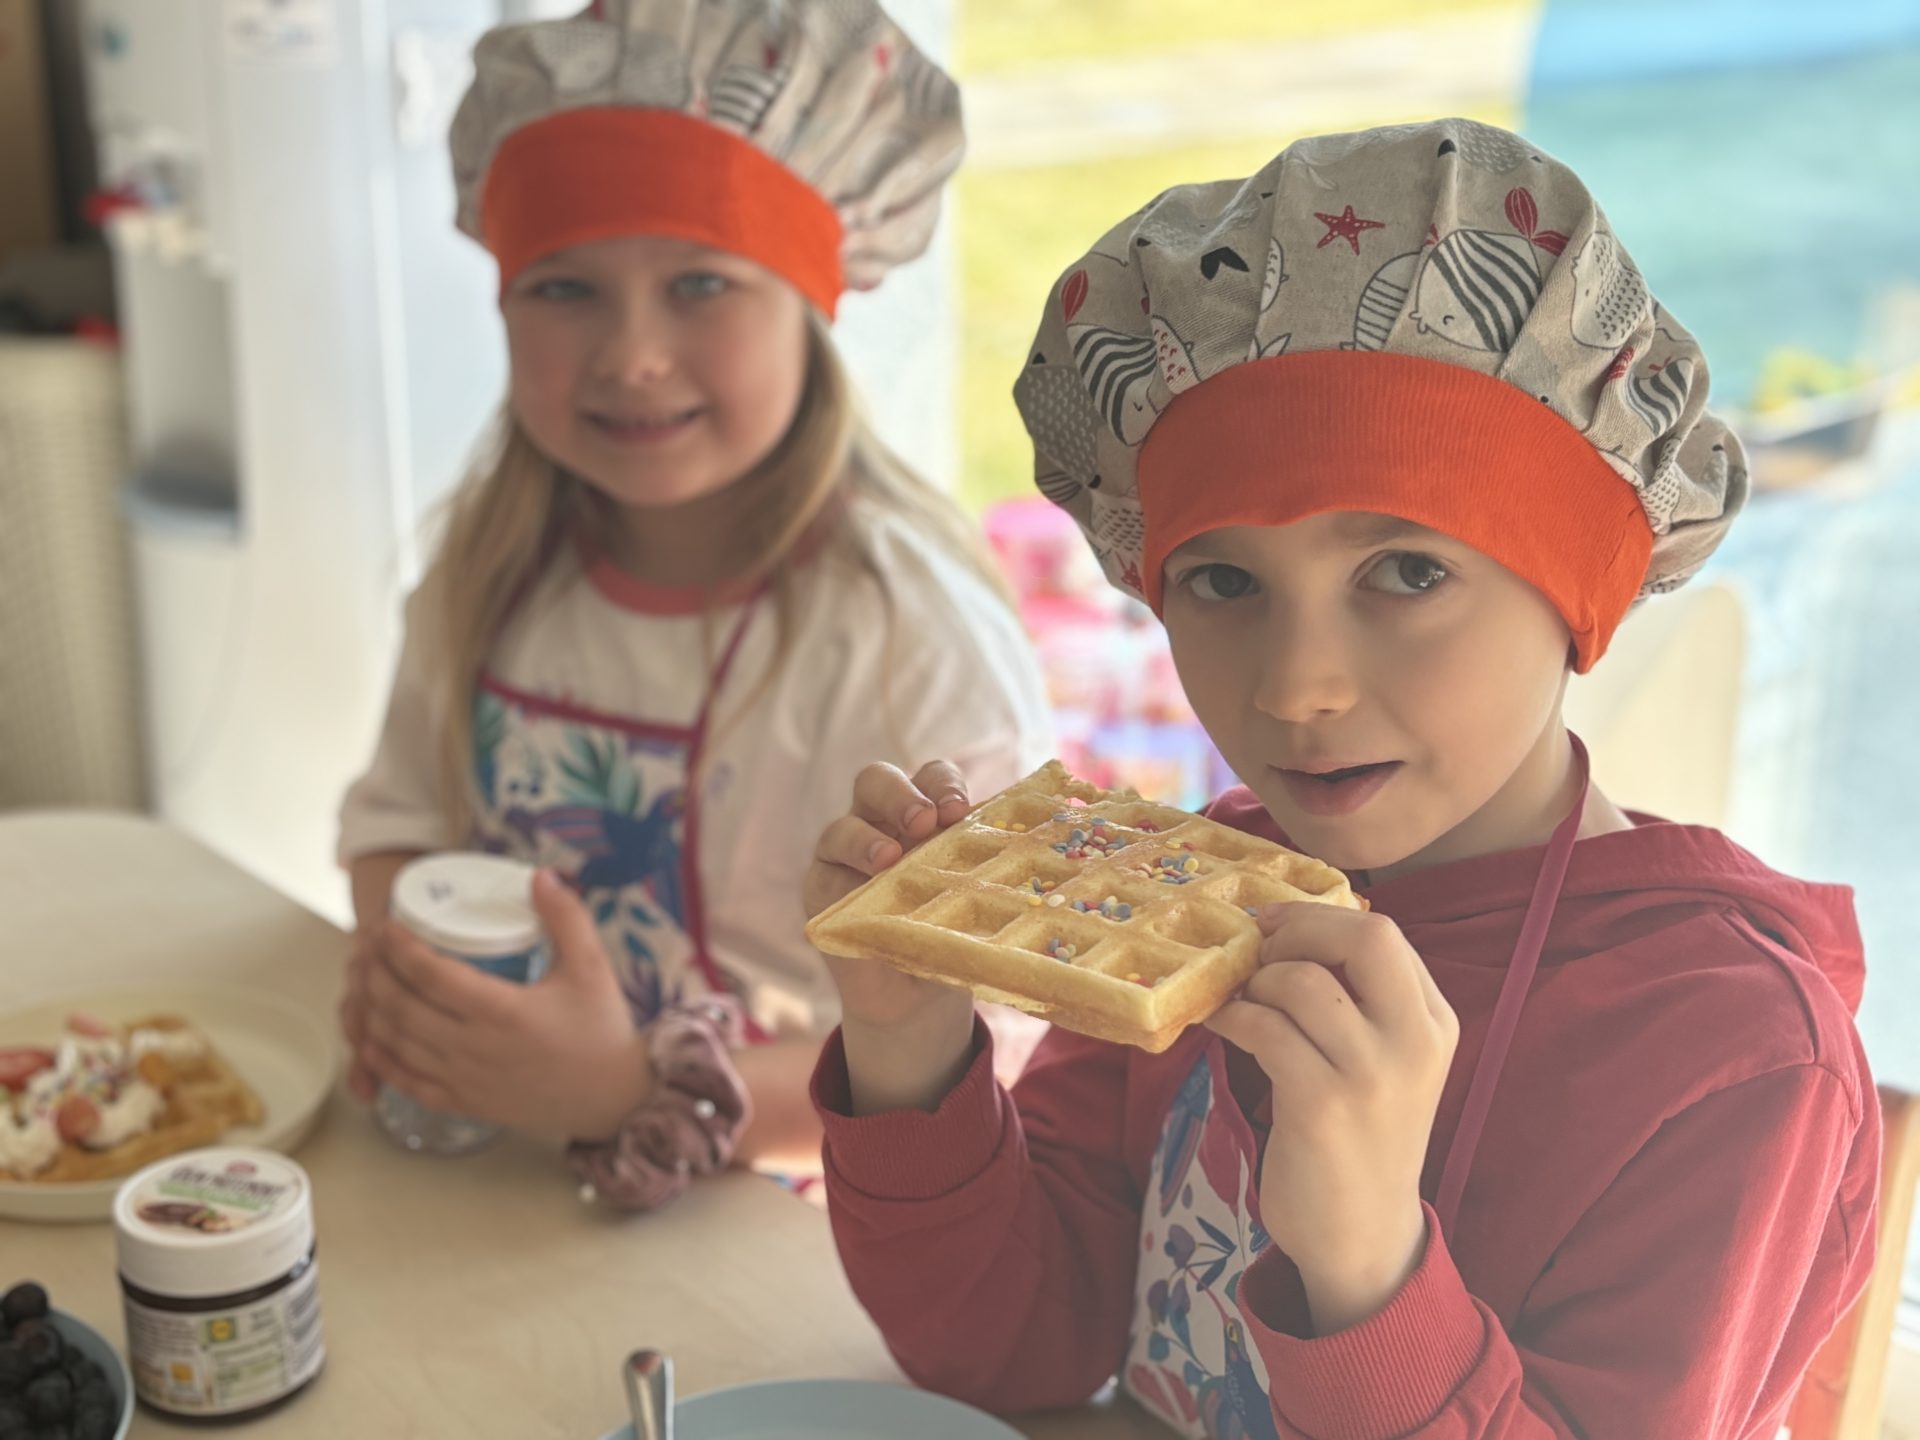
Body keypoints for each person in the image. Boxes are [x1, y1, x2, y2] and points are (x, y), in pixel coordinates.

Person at [803, 118, 1878, 1435]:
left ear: (1580, 588)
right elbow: (1018, 1351)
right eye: (1221, 580)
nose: (1294, 688)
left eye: (1408, 572)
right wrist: (909, 1059)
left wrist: (1368, 1260)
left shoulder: (1734, 1059)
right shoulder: (1189, 896)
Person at [335, 0, 1053, 1204]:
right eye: (564, 288)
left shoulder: (907, 640)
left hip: (789, 1217)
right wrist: (421, 995)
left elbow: (991, 1043)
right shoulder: (491, 574)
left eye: (701, 282)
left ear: (812, 304)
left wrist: (630, 1091)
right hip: (509, 1177)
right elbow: (395, 831)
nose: (632, 355)